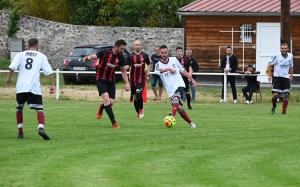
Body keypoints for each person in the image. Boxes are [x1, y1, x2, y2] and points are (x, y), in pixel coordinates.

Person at [6, 38, 55, 140]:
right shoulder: (41, 56)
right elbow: (49, 72)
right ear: (37, 46)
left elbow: (12, 67)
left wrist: (9, 78)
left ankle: (20, 133)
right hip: (34, 87)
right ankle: (41, 127)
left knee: (19, 108)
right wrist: (52, 85)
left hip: (21, 86)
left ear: (27, 46)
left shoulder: (20, 55)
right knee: (39, 109)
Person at [83, 39, 130, 128]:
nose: (123, 51)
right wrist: (88, 58)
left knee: (111, 102)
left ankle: (101, 107)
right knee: (107, 100)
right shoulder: (105, 52)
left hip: (111, 81)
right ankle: (114, 123)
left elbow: (123, 70)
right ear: (116, 47)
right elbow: (93, 56)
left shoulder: (120, 57)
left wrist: (127, 83)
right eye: (121, 49)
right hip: (101, 79)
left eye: (124, 49)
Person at [154, 45, 197, 128]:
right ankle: (191, 123)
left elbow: (183, 70)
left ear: (168, 52)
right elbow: (158, 71)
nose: (164, 54)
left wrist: (191, 79)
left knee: (176, 98)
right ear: (159, 53)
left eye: (165, 52)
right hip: (170, 90)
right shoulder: (158, 65)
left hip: (179, 84)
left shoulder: (174, 60)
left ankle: (172, 115)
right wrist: (169, 69)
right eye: (162, 53)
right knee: (179, 108)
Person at [268, 43, 293, 115]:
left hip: (285, 78)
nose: (284, 50)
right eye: (282, 48)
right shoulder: (277, 56)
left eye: (285, 48)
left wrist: (291, 75)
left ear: (288, 49)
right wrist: (269, 75)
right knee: (276, 94)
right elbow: (269, 64)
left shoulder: (290, 56)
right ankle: (274, 106)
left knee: (286, 94)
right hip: (277, 77)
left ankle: (284, 112)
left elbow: (291, 66)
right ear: (281, 49)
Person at [127, 40, 151, 118]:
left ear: (141, 46)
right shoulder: (130, 56)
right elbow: (127, 65)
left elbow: (149, 63)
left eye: (139, 45)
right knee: (135, 98)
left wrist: (147, 70)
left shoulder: (145, 55)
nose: (137, 46)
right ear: (133, 46)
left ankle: (141, 109)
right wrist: (126, 67)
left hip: (141, 79)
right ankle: (138, 112)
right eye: (136, 45)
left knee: (138, 94)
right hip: (133, 80)